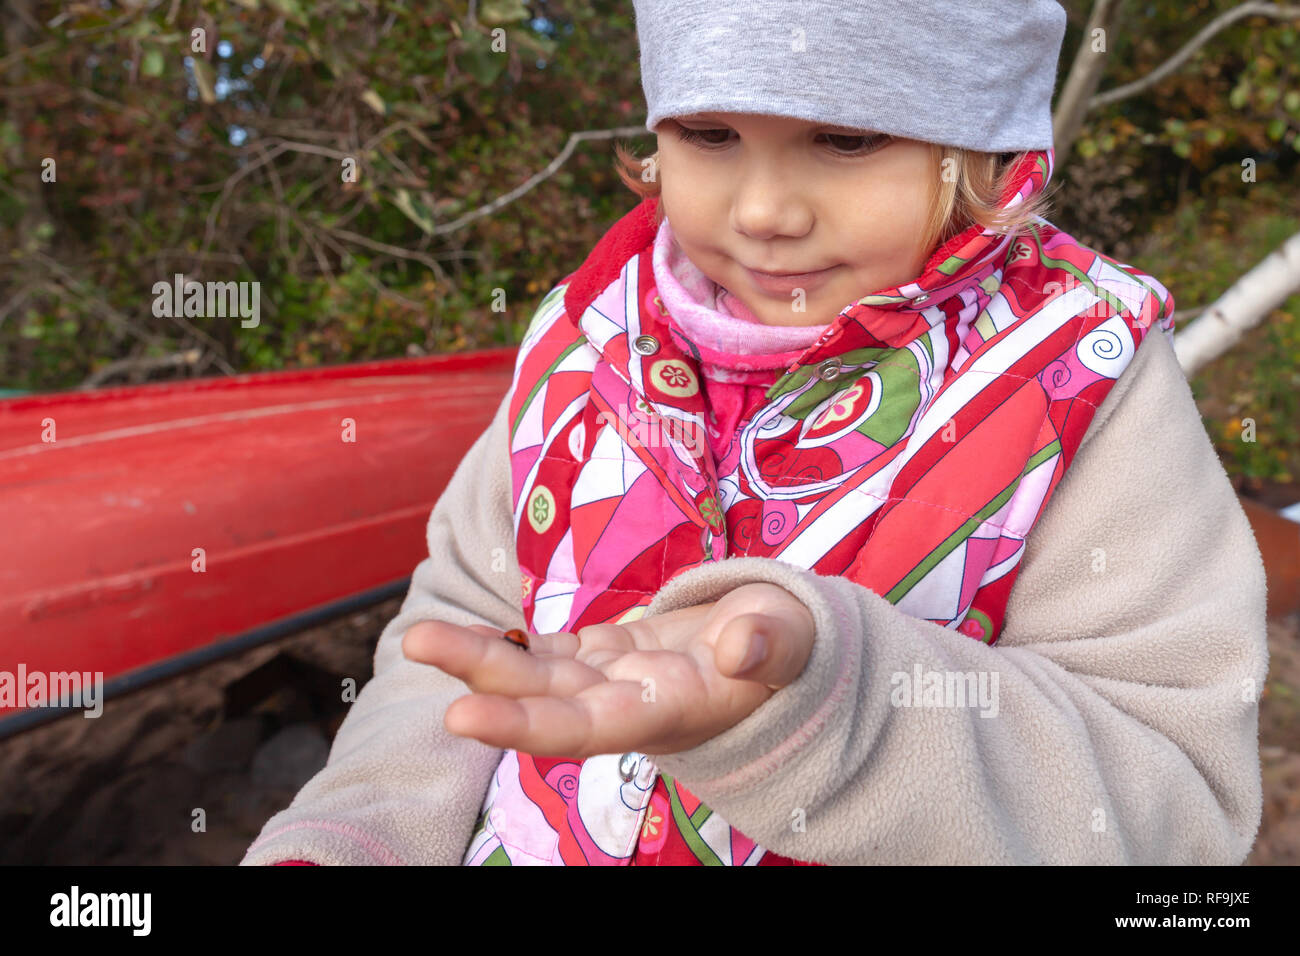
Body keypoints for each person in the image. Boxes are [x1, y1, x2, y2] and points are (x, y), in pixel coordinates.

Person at [241, 0, 1268, 866]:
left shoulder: (1075, 377)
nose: (766, 208)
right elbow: (468, 629)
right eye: (709, 134)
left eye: (847, 138)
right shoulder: (587, 336)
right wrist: (356, 832)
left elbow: (1172, 797)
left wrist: (833, 705)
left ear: (986, 149)